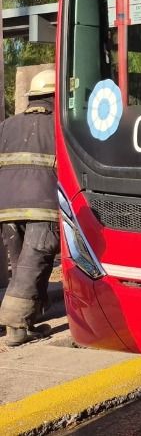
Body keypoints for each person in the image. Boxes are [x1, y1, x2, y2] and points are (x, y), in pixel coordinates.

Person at [0, 69, 60, 346]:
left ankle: (29, 319)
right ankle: (14, 324)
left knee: (22, 262)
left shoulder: (7, 125)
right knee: (31, 265)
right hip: (43, 206)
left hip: (7, 208)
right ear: (54, 96)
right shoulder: (59, 125)